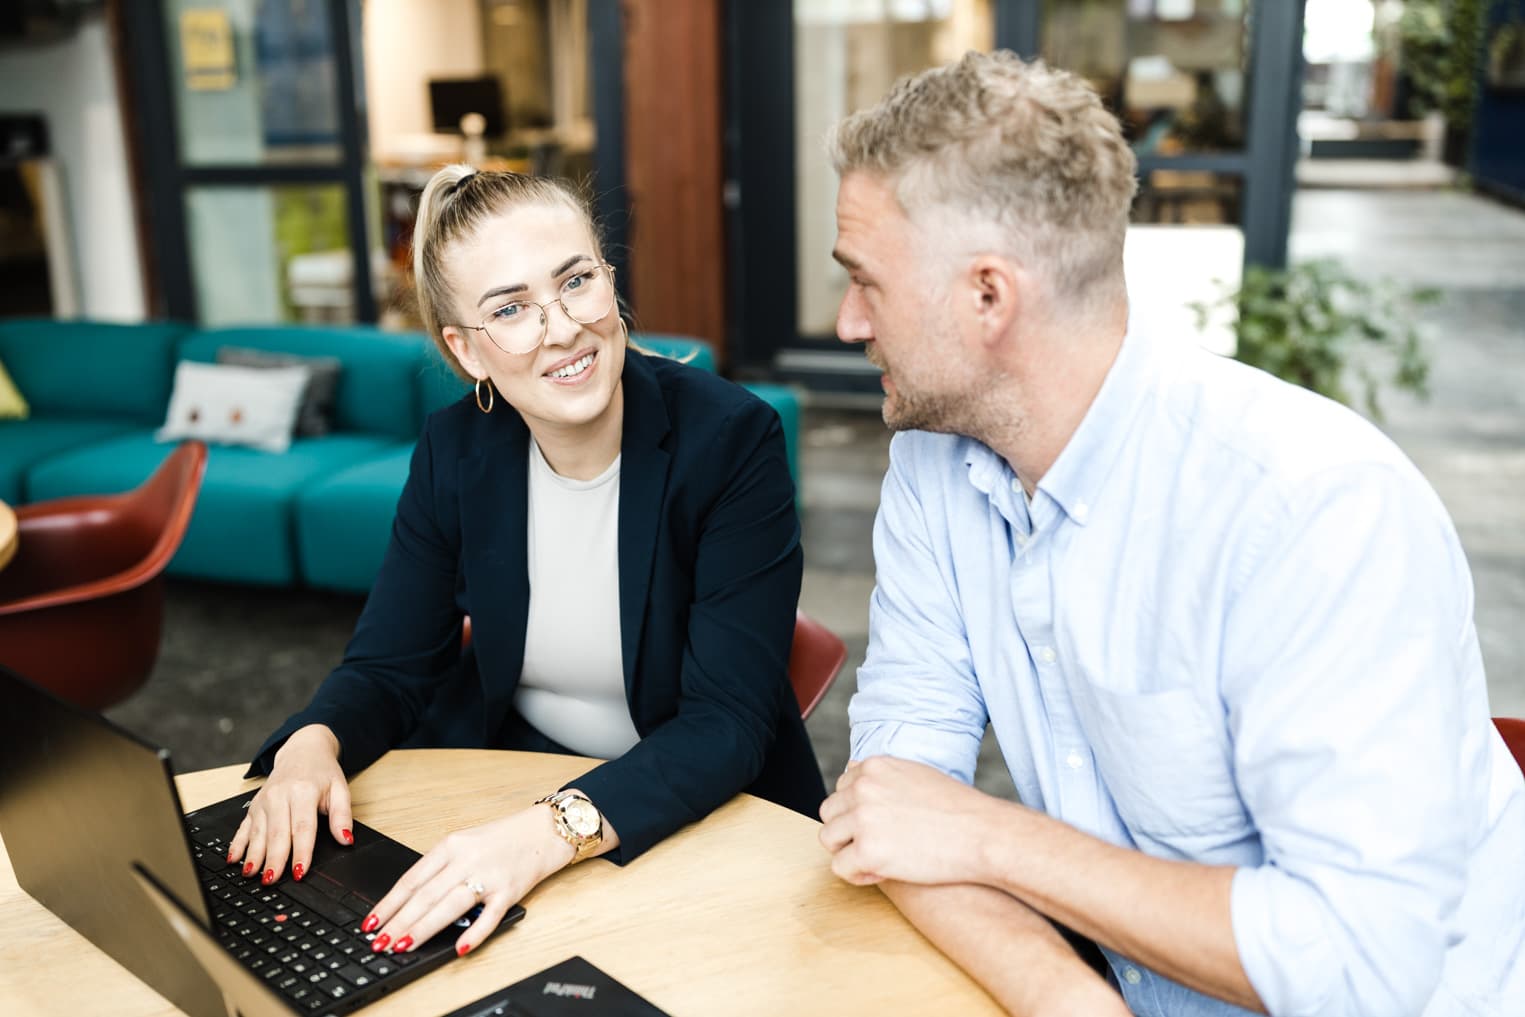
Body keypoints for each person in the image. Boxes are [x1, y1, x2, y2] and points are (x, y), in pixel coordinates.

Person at [816, 50, 1525, 1017]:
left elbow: (1356, 965)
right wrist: (1071, 1000)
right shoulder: (935, 466)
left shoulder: (1313, 510)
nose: (845, 319)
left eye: (866, 281)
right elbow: (892, 805)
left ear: (988, 296)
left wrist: (990, 835)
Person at [228, 166, 825, 959]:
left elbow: (727, 722)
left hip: (705, 811)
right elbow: (391, 664)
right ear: (467, 351)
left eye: (576, 281)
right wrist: (313, 741)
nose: (561, 328)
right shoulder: (454, 450)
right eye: (510, 309)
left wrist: (546, 831)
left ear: (609, 281)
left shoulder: (729, 440)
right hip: (517, 778)